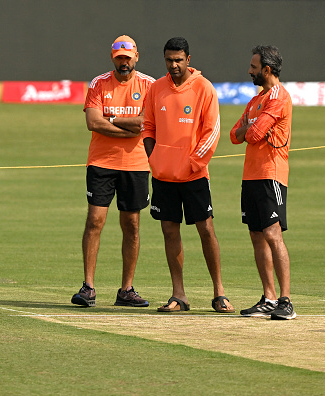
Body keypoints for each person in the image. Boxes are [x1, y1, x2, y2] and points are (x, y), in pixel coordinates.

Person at [141, 37, 234, 313]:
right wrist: (155, 159)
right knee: (169, 230)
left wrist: (193, 163)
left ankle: (219, 293)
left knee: (206, 230)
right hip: (164, 176)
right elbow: (147, 128)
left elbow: (212, 132)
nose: (174, 65)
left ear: (189, 60)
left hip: (194, 176)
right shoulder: (156, 88)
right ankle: (178, 295)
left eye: (179, 60)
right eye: (169, 60)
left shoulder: (204, 88)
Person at [71, 35, 155, 308]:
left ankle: (127, 289)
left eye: (128, 58)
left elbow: (145, 123)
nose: (124, 63)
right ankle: (88, 287)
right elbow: (93, 122)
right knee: (95, 220)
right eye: (119, 58)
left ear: (136, 57)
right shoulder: (98, 83)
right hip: (102, 163)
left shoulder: (149, 85)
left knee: (131, 224)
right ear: (112, 58)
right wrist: (127, 127)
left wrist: (113, 120)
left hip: (137, 164)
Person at [230, 45, 295, 320]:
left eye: (254, 67)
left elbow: (254, 134)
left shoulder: (278, 98)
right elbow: (235, 135)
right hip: (251, 175)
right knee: (256, 235)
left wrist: (249, 130)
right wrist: (248, 130)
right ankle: (268, 297)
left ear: (267, 69)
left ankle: (285, 300)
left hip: (271, 174)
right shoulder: (256, 101)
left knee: (272, 234)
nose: (250, 71)